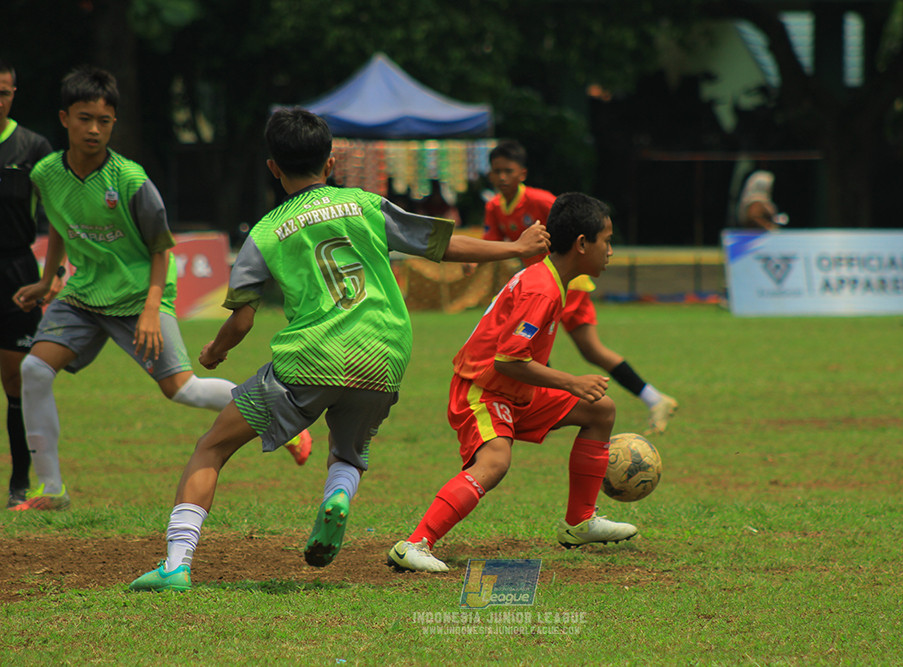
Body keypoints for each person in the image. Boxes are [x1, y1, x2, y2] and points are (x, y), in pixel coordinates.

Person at [128, 108, 550, 592]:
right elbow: (439, 245)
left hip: (311, 356)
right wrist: (515, 248)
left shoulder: (264, 233)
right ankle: (338, 497)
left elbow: (242, 319)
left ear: (273, 168)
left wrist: (215, 353)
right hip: (385, 352)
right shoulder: (365, 204)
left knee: (212, 446)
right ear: (330, 164)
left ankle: (177, 563)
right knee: (349, 451)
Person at [9, 66, 311, 513]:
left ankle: (272, 412)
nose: (94, 129)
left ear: (114, 123)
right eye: (84, 118)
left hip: (138, 296)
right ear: (64, 118)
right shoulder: (47, 173)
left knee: (182, 390)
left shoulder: (131, 181)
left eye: (104, 121)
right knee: (33, 371)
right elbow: (58, 221)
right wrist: (47, 278)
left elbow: (160, 251)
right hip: (82, 294)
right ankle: (51, 489)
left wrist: (151, 310)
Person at [388, 192, 638, 573]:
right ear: (583, 244)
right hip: (483, 388)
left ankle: (580, 523)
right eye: (607, 241)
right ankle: (414, 543)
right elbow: (508, 360)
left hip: (514, 389)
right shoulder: (543, 287)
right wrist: (571, 381)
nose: (611, 251)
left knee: (599, 410)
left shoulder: (552, 280)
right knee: (495, 462)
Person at [476, 140, 677, 434]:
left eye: (508, 170)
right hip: (540, 285)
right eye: (496, 172)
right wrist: (472, 262)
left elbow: (576, 220)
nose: (502, 177)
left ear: (522, 173)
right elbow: (491, 240)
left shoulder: (541, 200)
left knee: (537, 345)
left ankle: (536, 405)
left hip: (566, 284)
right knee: (585, 350)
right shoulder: (494, 206)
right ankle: (654, 398)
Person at [0, 60, 56, 508]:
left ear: (13, 93)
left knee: (16, 378)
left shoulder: (32, 146)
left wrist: (54, 273)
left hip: (16, 273)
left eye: (2, 92)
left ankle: (20, 482)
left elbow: (59, 213)